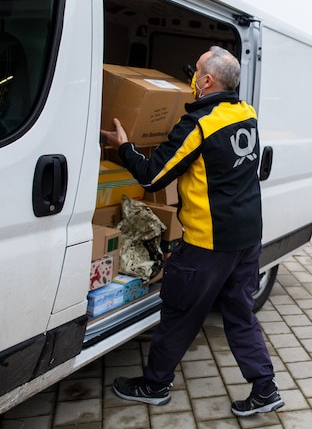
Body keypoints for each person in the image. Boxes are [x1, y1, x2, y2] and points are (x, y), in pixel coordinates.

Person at [100, 46, 284, 417]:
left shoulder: (199, 125)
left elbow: (153, 175)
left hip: (207, 244)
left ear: (206, 81)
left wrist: (124, 148)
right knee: (240, 312)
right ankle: (265, 388)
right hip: (247, 239)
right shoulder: (245, 112)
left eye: (196, 70)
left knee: (180, 312)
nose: (192, 74)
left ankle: (154, 385)